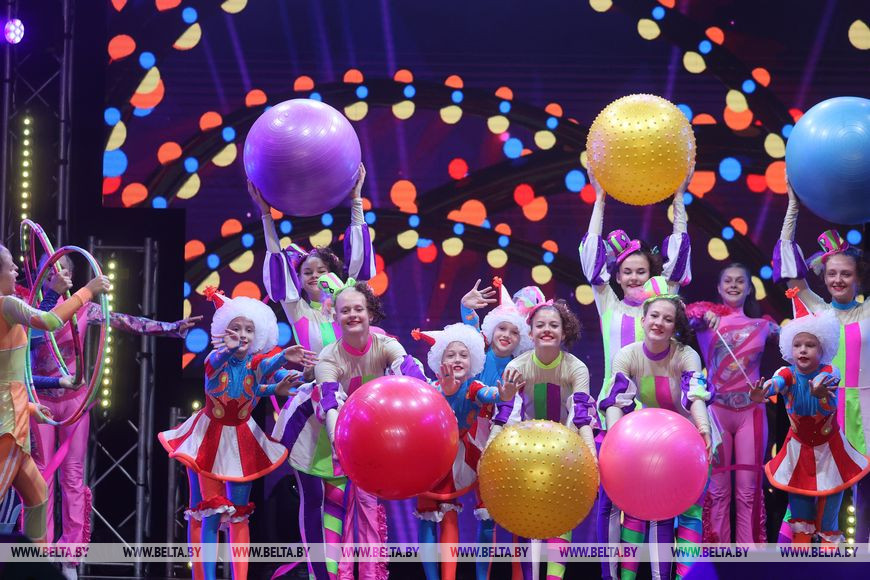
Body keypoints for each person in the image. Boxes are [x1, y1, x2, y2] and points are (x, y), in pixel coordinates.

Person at [28, 255, 199, 580]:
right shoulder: (28, 309)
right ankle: (40, 554)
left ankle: (70, 558)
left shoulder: (85, 308)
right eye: (50, 271)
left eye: (63, 271)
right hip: (41, 400)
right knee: (40, 476)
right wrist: (50, 294)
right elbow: (36, 334)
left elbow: (127, 322)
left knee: (72, 477)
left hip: (74, 402)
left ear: (72, 276)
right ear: (39, 275)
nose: (57, 275)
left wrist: (170, 328)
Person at [579, 168, 693, 580]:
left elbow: (679, 260)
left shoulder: (660, 307)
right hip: (614, 411)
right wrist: (600, 198)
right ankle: (610, 575)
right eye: (626, 271)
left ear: (650, 274)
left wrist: (678, 200)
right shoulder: (608, 303)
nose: (632, 277)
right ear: (617, 275)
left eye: (640, 271)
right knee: (611, 499)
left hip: (660, 413)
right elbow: (591, 258)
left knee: (658, 500)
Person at [273, 280, 426, 580]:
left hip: (355, 435)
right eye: (345, 311)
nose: (352, 315)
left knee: (350, 507)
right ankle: (324, 576)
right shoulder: (329, 356)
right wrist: (338, 444)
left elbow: (406, 370)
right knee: (321, 507)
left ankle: (359, 574)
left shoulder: (386, 345)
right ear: (335, 316)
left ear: (370, 313)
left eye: (358, 309)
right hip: (315, 435)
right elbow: (330, 403)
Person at [159, 287, 314, 580]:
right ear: (224, 332)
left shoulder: (256, 363)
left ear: (258, 336)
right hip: (207, 440)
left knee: (239, 514)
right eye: (236, 328)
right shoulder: (214, 359)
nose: (242, 335)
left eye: (249, 330)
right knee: (210, 512)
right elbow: (218, 366)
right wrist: (229, 349)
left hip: (241, 441)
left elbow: (259, 378)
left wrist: (285, 363)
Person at [599, 276, 716, 580]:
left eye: (667, 319)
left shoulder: (686, 355)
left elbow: (695, 396)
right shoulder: (628, 355)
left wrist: (703, 429)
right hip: (648, 443)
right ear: (643, 319)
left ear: (675, 325)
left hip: (689, 442)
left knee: (690, 513)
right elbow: (617, 401)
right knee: (637, 510)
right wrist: (614, 440)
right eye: (654, 316)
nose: (659, 323)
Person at [774, 178, 870, 543]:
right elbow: (790, 268)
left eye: (846, 273)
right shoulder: (817, 312)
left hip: (865, 411)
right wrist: (792, 208)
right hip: (823, 412)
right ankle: (804, 557)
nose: (838, 279)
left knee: (865, 497)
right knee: (812, 494)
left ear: (858, 278)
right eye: (832, 273)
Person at [0, 244, 110, 545]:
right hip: (6, 426)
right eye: (10, 266)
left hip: (17, 416)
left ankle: (37, 563)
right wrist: (88, 290)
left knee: (39, 495)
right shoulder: (8, 305)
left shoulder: (11, 307)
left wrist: (30, 407)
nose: (17, 270)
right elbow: (48, 323)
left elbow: (14, 375)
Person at [490, 299, 598, 580]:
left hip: (565, 452)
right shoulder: (517, 366)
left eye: (553, 325)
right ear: (531, 332)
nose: (547, 330)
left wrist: (590, 456)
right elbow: (505, 414)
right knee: (529, 518)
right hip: (525, 454)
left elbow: (581, 415)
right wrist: (490, 451)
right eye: (540, 325)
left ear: (564, 332)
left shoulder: (576, 368)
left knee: (562, 512)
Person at [751, 288, 869, 543]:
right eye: (798, 345)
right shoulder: (787, 373)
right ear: (790, 348)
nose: (803, 350)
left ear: (822, 347)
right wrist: (764, 392)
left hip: (831, 455)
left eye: (810, 345)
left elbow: (828, 395)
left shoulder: (829, 372)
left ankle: (828, 561)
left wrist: (820, 393)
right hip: (799, 455)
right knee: (801, 523)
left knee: (828, 525)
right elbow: (775, 383)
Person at [412, 323, 517, 580]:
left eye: (463, 354)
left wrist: (502, 394)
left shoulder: (474, 387)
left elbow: (489, 394)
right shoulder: (430, 388)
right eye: (451, 355)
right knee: (429, 516)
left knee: (479, 515)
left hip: (469, 454)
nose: (457, 359)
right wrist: (444, 390)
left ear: (473, 361)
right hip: (435, 456)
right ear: (440, 362)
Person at [687, 263, 778, 544]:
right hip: (717, 414)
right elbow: (682, 313)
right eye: (728, 281)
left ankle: (750, 557)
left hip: (752, 414)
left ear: (749, 288)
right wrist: (703, 310)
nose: (734, 285)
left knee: (749, 490)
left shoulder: (763, 326)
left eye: (740, 281)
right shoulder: (704, 322)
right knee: (717, 491)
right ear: (719, 287)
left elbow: (799, 337)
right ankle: (718, 555)